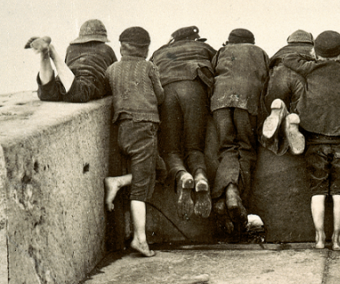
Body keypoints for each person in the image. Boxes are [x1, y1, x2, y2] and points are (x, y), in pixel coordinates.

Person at [283, 30, 340, 251]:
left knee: (318, 190)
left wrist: (313, 56)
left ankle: (319, 239)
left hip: (314, 138)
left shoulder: (310, 68)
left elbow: (289, 58)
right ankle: (337, 239)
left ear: (316, 51)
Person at [102, 26, 164, 257]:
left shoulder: (111, 69)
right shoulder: (148, 67)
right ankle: (140, 238)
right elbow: (160, 96)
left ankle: (118, 182)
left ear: (121, 47)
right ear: (146, 49)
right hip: (144, 127)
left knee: (156, 170)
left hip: (123, 129)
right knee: (141, 187)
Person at [150, 26, 216, 219]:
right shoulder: (205, 49)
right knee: (194, 148)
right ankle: (200, 176)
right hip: (195, 89)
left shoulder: (160, 51)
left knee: (170, 150)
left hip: (167, 91)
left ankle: (182, 176)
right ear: (195, 39)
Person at [210, 28, 269, 228]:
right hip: (247, 102)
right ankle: (236, 198)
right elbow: (266, 81)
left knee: (227, 148)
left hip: (219, 102)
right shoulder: (259, 52)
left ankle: (222, 197)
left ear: (230, 41)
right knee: (245, 149)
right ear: (251, 41)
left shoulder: (221, 52)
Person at [26, 19, 116, 102]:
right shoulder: (107, 49)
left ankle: (45, 52)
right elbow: (114, 75)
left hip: (68, 79)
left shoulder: (71, 48)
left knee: (47, 94)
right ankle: (52, 52)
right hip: (84, 82)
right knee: (79, 93)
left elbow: (64, 70)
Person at [261, 30, 314, 156]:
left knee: (272, 107)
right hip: (303, 76)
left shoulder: (281, 50)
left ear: (290, 40)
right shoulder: (313, 50)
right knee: (300, 111)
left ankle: (278, 120)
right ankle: (294, 124)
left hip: (279, 73)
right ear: (311, 41)